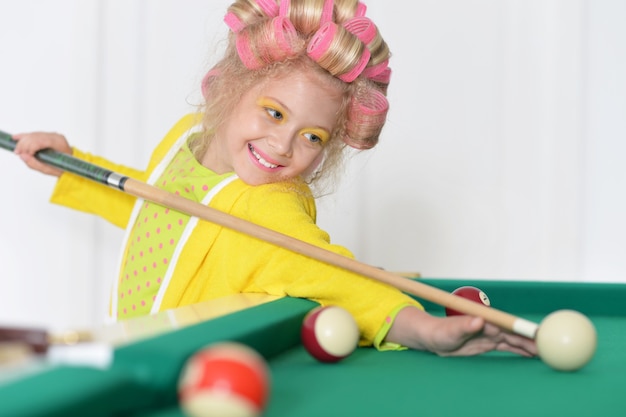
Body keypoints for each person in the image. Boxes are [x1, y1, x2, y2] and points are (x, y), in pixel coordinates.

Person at [12, 0, 536, 357]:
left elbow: (342, 279)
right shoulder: (184, 138)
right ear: (231, 89)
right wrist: (69, 163)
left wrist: (426, 329)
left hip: (195, 375)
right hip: (130, 346)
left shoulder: (272, 208)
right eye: (275, 113)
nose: (284, 146)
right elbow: (156, 208)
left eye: (313, 137)